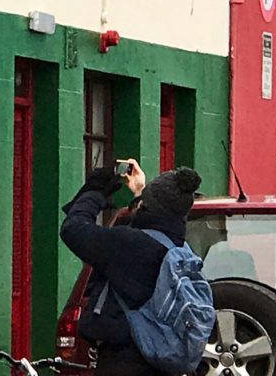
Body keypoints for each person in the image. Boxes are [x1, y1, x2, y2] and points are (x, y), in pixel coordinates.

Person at [60, 160, 203, 376]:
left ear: (149, 206)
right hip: (161, 359)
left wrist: (95, 191)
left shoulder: (127, 244)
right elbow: (149, 225)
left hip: (123, 362)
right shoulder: (180, 248)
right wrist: (139, 192)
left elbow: (73, 229)